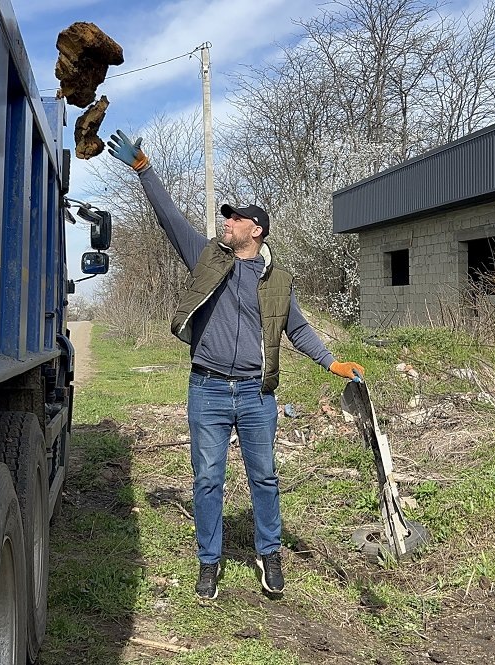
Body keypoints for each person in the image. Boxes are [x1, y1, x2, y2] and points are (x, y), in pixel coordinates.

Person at [106, 129, 365, 600]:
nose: (227, 222)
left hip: (255, 393)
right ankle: (210, 561)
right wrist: (144, 167)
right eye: (227, 218)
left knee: (263, 476)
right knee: (207, 479)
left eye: (236, 219)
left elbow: (298, 329)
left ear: (256, 230)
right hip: (206, 388)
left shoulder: (277, 279)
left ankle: (270, 554)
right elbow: (169, 218)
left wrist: (332, 362)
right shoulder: (207, 256)